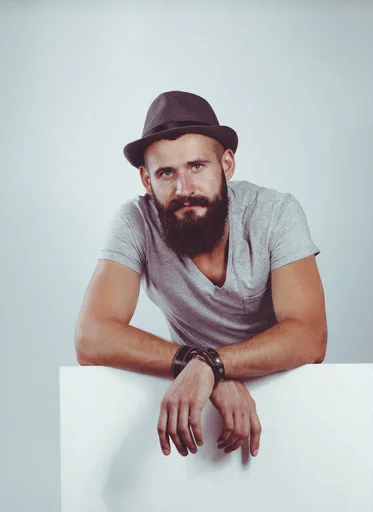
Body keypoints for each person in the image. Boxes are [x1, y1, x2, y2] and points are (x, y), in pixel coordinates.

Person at [74, 90, 327, 460]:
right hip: (193, 403)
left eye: (197, 167)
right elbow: (91, 337)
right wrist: (199, 367)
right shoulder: (135, 222)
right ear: (146, 180)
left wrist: (212, 366)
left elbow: (310, 335)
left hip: (285, 394)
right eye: (166, 173)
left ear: (226, 164)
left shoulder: (275, 213)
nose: (184, 189)